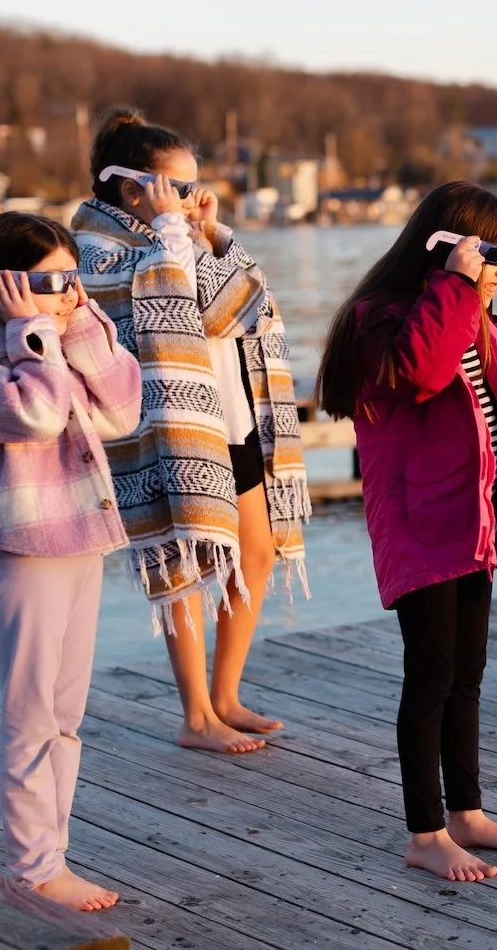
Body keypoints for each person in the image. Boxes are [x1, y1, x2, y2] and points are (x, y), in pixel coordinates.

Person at [315, 181, 497, 882]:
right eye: (493, 249)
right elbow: (421, 373)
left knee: (467, 674)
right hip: (423, 524)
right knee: (430, 676)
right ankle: (424, 831)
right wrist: (455, 285)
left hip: (474, 520)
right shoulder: (383, 316)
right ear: (449, 243)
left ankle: (467, 813)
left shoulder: (479, 316)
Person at [73, 107, 311, 754]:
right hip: (171, 429)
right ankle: (196, 712)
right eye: (179, 187)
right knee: (183, 562)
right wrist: (178, 232)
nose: (192, 199)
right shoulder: (97, 250)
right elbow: (189, 306)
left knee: (255, 554)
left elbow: (246, 303)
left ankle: (227, 694)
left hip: (233, 414)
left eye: (195, 186)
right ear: (133, 190)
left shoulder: (178, 235)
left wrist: (207, 231)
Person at [0, 213, 142, 909]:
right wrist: (40, 337)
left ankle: (53, 854)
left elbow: (121, 409)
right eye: (52, 282)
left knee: (65, 715)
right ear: (4, 287)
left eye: (72, 278)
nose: (67, 293)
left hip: (80, 540)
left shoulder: (56, 341)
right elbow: (40, 416)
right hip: (23, 550)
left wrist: (78, 323)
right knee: (30, 718)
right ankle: (36, 866)